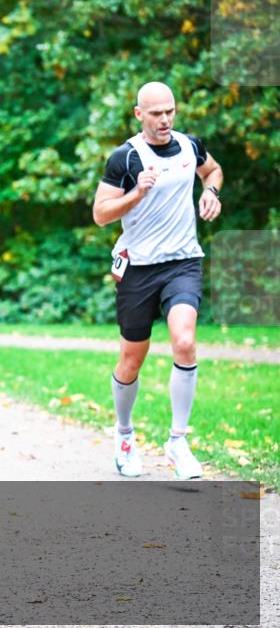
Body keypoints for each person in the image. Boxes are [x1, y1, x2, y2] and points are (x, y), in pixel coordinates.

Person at [92, 81, 223, 480]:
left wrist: (211, 191)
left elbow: (212, 170)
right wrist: (136, 194)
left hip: (182, 261)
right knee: (132, 358)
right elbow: (101, 213)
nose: (165, 119)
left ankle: (177, 442)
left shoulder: (190, 146)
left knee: (184, 341)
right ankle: (125, 435)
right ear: (139, 115)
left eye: (170, 111)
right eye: (155, 113)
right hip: (139, 268)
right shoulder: (126, 157)